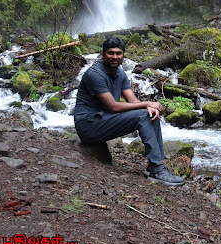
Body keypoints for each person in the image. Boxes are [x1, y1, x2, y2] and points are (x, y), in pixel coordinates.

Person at [73, 37, 185, 186]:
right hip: (88, 125)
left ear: (123, 55)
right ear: (103, 54)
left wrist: (148, 107)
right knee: (144, 113)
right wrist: (148, 103)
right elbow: (113, 106)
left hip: (103, 119)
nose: (114, 56)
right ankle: (157, 169)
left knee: (150, 114)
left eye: (118, 53)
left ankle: (156, 166)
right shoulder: (94, 74)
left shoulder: (120, 73)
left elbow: (133, 101)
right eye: (110, 53)